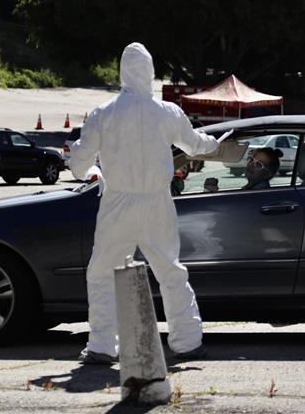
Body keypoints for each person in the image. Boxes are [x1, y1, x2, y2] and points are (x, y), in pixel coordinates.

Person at [70, 43, 220, 365]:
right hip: (156, 203)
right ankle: (188, 342)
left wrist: (90, 171)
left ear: (122, 72)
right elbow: (195, 145)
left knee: (102, 273)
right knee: (170, 270)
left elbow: (80, 163)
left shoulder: (103, 113)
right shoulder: (166, 112)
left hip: (117, 204)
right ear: (150, 71)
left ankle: (102, 345)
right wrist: (216, 143)